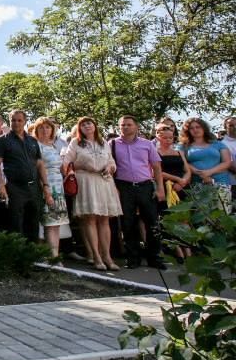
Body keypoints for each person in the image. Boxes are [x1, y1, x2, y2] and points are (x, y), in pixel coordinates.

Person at [63, 117, 121, 271]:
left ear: (95, 126)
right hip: (86, 182)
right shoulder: (75, 143)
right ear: (79, 128)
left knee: (104, 220)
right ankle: (95, 256)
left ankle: (107, 256)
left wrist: (110, 168)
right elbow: (65, 164)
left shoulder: (103, 143)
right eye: (83, 124)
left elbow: (112, 162)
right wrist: (79, 164)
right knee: (90, 220)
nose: (87, 126)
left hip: (104, 182)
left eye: (89, 123)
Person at [111, 115, 166, 269]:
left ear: (136, 127)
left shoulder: (147, 144)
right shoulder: (112, 144)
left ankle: (154, 257)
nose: (125, 127)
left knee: (152, 222)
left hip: (145, 185)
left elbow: (156, 167)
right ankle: (133, 257)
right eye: (122, 125)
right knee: (128, 223)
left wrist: (160, 188)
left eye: (129, 124)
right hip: (124, 186)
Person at [0, 110, 46, 243]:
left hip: (33, 188)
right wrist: (1, 186)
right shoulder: (2, 141)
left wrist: (45, 185)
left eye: (19, 120)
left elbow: (40, 164)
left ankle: (34, 257)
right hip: (15, 187)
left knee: (33, 223)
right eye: (13, 120)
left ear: (25, 122)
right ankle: (19, 258)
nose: (16, 123)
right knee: (16, 224)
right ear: (9, 121)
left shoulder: (32, 141)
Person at [32, 117, 70, 258]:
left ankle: (55, 255)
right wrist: (45, 190)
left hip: (58, 188)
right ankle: (47, 255)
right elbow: (37, 170)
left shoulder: (53, 146)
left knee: (56, 223)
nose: (45, 130)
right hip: (45, 187)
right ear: (36, 130)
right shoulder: (36, 146)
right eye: (41, 128)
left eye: (48, 127)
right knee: (48, 222)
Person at [154, 122, 191, 259]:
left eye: (170, 138)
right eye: (165, 138)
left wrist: (183, 181)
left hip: (181, 188)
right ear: (158, 137)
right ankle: (177, 250)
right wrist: (177, 179)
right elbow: (157, 172)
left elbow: (187, 170)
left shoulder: (179, 152)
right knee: (170, 219)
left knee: (184, 220)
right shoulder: (155, 152)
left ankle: (187, 247)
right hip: (167, 188)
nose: (168, 141)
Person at [181, 117, 232, 214]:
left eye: (198, 127)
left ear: (204, 128)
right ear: (187, 131)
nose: (195, 130)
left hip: (220, 183)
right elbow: (182, 163)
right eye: (192, 128)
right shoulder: (183, 146)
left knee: (223, 215)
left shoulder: (218, 144)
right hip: (197, 185)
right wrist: (199, 173)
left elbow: (227, 162)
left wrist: (209, 172)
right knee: (203, 217)